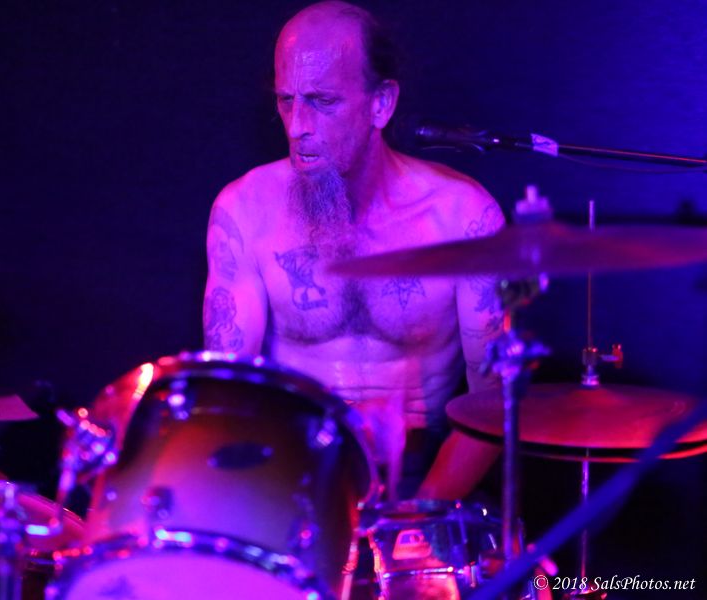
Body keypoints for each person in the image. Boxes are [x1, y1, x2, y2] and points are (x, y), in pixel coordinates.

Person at [203, 0, 503, 501]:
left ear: (381, 104)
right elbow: (225, 395)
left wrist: (419, 516)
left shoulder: (462, 217)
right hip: (292, 483)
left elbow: (496, 403)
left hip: (422, 482)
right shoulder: (245, 211)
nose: (297, 126)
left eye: (322, 101)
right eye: (286, 100)